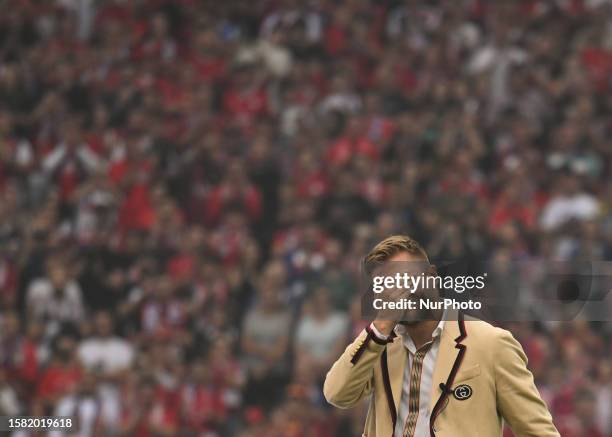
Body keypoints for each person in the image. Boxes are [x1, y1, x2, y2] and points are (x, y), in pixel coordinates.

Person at [323, 235, 560, 436]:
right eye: (387, 285)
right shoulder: (378, 345)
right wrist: (380, 329)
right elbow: (337, 394)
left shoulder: (491, 343)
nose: (401, 292)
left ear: (432, 276)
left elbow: (537, 431)